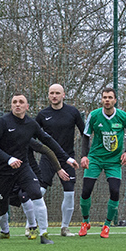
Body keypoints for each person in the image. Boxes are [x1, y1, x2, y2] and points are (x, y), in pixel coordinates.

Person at [0, 93, 78, 245]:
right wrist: (8, 159)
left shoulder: (31, 124)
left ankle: (44, 234)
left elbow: (48, 142)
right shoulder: (3, 122)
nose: (17, 104)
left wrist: (66, 158)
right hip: (2, 171)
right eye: (14, 102)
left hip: (23, 168)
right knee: (2, 208)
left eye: (21, 102)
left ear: (27, 107)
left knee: (36, 194)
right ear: (11, 106)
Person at [0, 139, 70, 239]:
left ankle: (33, 228)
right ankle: (4, 231)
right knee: (3, 205)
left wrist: (58, 169)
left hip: (29, 175)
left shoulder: (25, 137)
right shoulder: (1, 143)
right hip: (10, 177)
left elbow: (47, 150)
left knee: (24, 195)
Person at [78, 87, 126, 238]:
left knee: (115, 191)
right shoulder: (94, 115)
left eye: (110, 97)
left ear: (115, 100)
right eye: (104, 97)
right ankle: (85, 222)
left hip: (114, 161)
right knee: (86, 190)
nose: (107, 100)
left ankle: (107, 225)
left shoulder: (123, 117)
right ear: (102, 99)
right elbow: (86, 135)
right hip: (95, 159)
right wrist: (84, 156)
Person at [35, 83, 85, 236]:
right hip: (48, 158)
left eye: (57, 93)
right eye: (51, 93)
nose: (54, 96)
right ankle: (31, 224)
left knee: (69, 193)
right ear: (48, 95)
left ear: (63, 95)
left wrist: (85, 154)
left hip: (68, 159)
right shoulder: (42, 115)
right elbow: (30, 135)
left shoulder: (73, 112)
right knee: (38, 191)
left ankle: (65, 227)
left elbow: (86, 134)